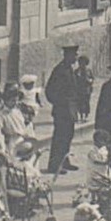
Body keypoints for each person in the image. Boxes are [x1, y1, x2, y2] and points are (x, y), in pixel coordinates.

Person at [44, 45, 81, 175]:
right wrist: (59, 103)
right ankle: (54, 165)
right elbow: (49, 91)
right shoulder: (59, 71)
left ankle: (64, 161)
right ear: (68, 56)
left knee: (67, 136)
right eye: (74, 55)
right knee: (60, 137)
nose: (76, 57)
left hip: (69, 111)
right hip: (62, 111)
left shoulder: (69, 69)